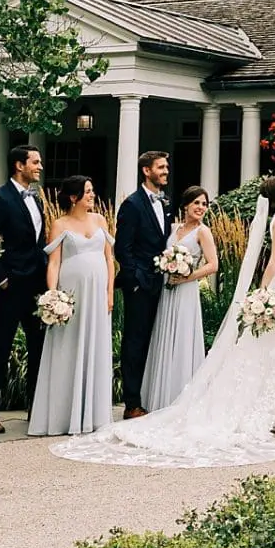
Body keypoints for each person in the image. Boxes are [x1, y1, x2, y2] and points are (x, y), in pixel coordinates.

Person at [50, 174, 275, 468]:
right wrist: (262, 290)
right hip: (172, 292)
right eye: (197, 203)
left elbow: (225, 262)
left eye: (205, 204)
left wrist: (192, 275)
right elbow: (271, 258)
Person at [25, 175, 117, 436]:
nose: (92, 195)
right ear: (74, 196)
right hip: (71, 293)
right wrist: (53, 296)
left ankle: (93, 413)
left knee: (96, 345)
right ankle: (64, 414)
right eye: (87, 191)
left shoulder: (100, 220)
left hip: (97, 293)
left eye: (92, 190)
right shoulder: (60, 223)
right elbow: (54, 262)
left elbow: (109, 259)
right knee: (68, 345)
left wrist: (109, 292)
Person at [0, 145, 47, 434]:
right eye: (35, 162)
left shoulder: (37, 199)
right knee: (0, 346)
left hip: (35, 284)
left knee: (39, 346)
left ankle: (37, 406)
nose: (40, 167)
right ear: (19, 165)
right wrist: (0, 278)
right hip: (9, 285)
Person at [140, 185, 217, 410]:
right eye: (197, 203)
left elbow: (213, 265)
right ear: (186, 205)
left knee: (183, 336)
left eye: (204, 204)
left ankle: (182, 399)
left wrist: (187, 277)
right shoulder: (173, 228)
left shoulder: (203, 231)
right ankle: (160, 396)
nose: (201, 208)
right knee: (164, 333)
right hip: (167, 288)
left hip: (186, 290)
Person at [115, 151, 172, 419]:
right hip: (141, 285)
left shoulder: (166, 203)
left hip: (164, 283)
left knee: (156, 340)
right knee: (135, 341)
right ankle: (132, 403)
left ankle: (153, 395)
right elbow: (122, 249)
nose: (166, 171)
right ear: (146, 171)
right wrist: (135, 280)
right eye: (160, 167)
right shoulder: (132, 205)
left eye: (166, 167)